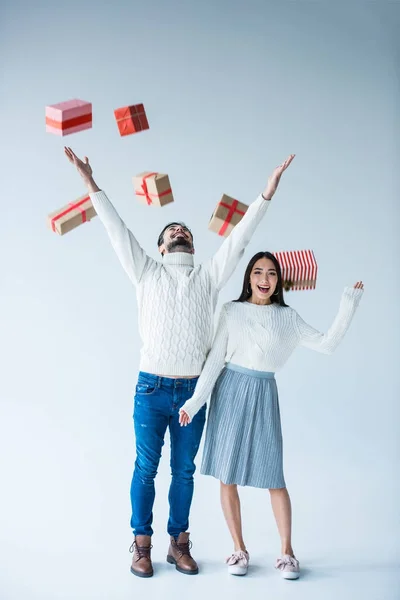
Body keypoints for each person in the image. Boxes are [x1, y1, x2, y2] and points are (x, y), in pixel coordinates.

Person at [64, 147, 295, 578]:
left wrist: (266, 194)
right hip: (151, 388)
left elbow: (240, 238)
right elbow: (115, 229)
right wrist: (89, 182)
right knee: (146, 469)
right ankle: (141, 545)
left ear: (191, 243)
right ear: (160, 245)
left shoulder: (208, 277)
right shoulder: (146, 272)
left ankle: (179, 543)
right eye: (171, 230)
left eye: (184, 230)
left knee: (184, 472)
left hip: (193, 391)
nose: (178, 231)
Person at [179, 251, 364, 579]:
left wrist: (348, 304)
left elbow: (327, 344)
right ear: (248, 277)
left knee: (274, 478)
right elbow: (214, 361)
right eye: (258, 272)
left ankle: (288, 552)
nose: (264, 280)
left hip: (264, 394)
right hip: (229, 390)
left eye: (272, 274)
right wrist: (194, 404)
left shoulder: (287, 317)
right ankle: (238, 549)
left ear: (280, 281)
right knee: (227, 474)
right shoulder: (232, 311)